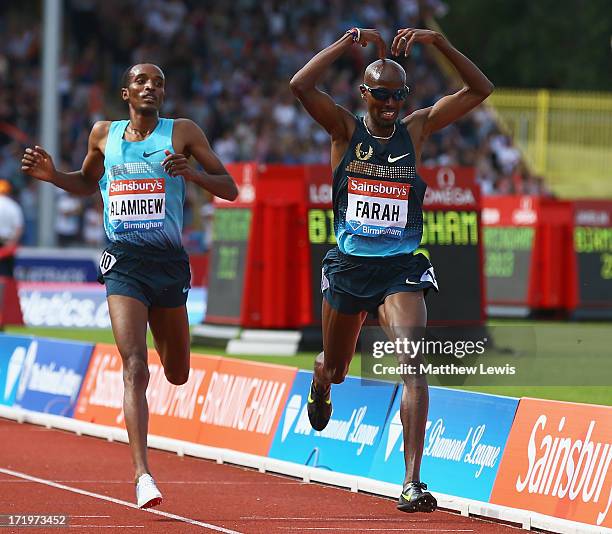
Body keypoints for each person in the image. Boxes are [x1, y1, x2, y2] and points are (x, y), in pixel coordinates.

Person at [290, 28, 493, 513]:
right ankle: (320, 381)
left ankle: (411, 481)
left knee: (412, 366)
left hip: (400, 268)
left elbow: (480, 90)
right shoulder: (343, 130)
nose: (388, 104)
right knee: (337, 368)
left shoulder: (416, 129)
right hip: (349, 268)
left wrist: (441, 44)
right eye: (379, 94)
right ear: (364, 94)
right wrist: (344, 44)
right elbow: (300, 86)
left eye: (397, 96)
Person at [21, 63, 238, 508]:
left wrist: (193, 175)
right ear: (126, 93)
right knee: (134, 365)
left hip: (169, 264)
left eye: (158, 82)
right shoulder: (103, 134)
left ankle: (163, 345)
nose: (151, 88)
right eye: (142, 82)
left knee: (176, 372)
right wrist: (53, 176)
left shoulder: (182, 133)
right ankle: (143, 475)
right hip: (124, 263)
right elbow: (87, 181)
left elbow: (230, 188)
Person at [0, 179, 24, 277]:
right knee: (7, 273)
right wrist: (11, 244)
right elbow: (19, 228)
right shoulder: (13, 206)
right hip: (7, 243)